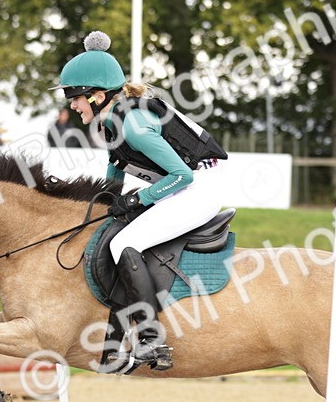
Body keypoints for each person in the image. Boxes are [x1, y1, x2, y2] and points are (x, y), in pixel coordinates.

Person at [54, 30, 228, 370]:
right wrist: (98, 205)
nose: (72, 105)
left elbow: (183, 176)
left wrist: (140, 200)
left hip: (200, 187)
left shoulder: (132, 123)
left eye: (75, 97)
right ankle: (116, 343)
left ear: (98, 96)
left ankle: (151, 339)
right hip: (185, 184)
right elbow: (115, 173)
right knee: (112, 231)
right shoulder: (112, 121)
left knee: (125, 243)